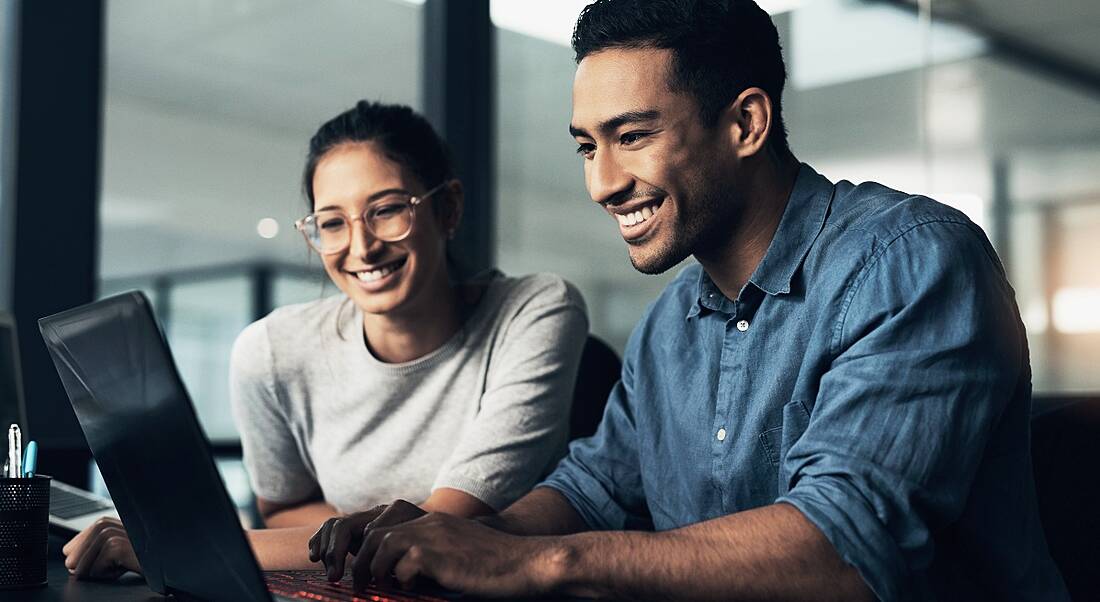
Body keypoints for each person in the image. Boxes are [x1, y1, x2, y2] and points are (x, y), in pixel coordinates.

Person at [320, 1, 1070, 600]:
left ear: (746, 122)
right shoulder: (669, 324)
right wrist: (454, 540)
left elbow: (843, 550)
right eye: (587, 146)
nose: (602, 183)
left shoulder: (913, 260)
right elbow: (593, 491)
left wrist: (537, 565)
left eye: (632, 136)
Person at [60, 100, 589, 580]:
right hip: (356, 588)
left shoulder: (536, 310)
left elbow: (438, 532)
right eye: (332, 223)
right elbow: (282, 506)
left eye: (386, 210)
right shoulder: (271, 350)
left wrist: (175, 547)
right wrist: (348, 546)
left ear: (446, 209)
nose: (361, 247)